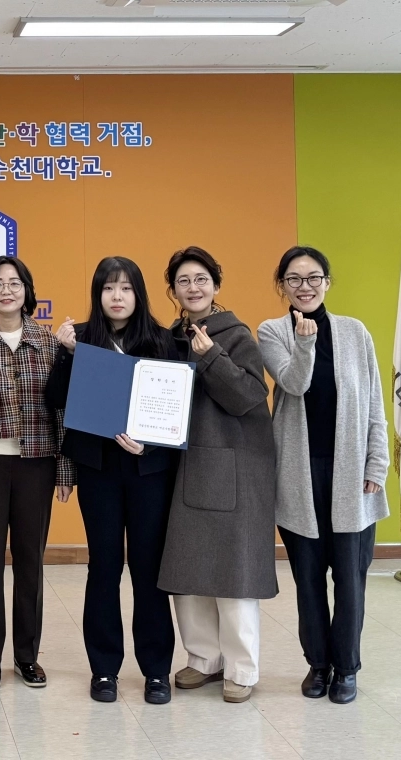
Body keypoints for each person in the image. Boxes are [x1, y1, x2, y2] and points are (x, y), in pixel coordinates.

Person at [45, 257, 180, 705]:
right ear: (97, 294)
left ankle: (156, 670)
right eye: (108, 288)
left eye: (125, 288)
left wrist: (153, 447)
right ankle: (104, 669)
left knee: (148, 570)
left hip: (148, 472)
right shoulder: (80, 338)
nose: (116, 297)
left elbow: (180, 412)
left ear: (138, 294)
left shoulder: (163, 340)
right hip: (98, 471)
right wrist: (64, 355)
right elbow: (55, 400)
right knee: (103, 568)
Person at [258, 245, 389, 705]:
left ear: (327, 283)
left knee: (351, 579)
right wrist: (306, 341)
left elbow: (374, 403)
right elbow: (295, 384)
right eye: (293, 280)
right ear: (282, 287)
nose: (304, 287)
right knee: (309, 578)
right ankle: (318, 663)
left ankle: (347, 667)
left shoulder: (356, 333)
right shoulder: (272, 331)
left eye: (313, 278)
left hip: (352, 475)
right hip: (299, 474)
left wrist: (378, 464)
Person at [157, 247, 278, 704]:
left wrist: (210, 357)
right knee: (187, 571)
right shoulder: (169, 337)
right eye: (184, 281)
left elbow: (250, 396)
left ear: (216, 285)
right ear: (172, 290)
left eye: (201, 279)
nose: (193, 287)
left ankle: (242, 669)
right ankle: (202, 660)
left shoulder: (235, 334)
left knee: (233, 571)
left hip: (231, 466)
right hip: (183, 465)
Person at [0, 255, 72, 690]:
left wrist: (64, 468)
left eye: (15, 282)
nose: (7, 290)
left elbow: (61, 407)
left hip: (37, 461)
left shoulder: (48, 340)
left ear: (27, 290)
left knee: (30, 561)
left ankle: (26, 655)